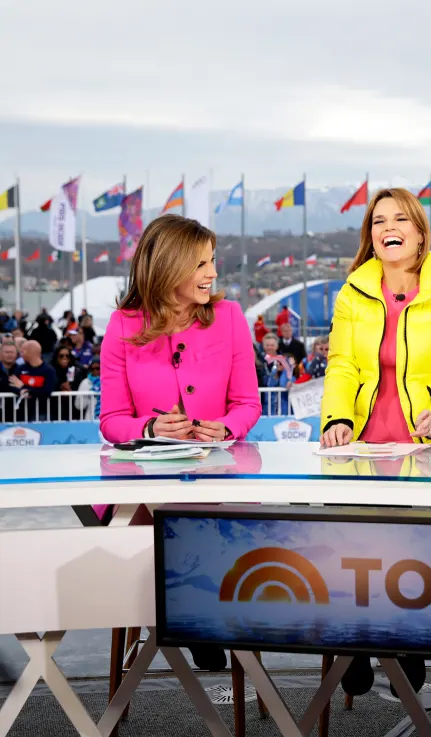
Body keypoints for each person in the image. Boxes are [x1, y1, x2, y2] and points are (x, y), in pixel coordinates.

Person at [319, 187, 431, 697]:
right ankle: (356, 645)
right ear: (371, 235)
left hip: (426, 450)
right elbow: (341, 366)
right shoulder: (351, 294)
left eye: (401, 219)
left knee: (416, 556)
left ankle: (409, 644)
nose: (390, 227)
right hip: (361, 451)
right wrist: (337, 419)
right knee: (350, 553)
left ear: (420, 231)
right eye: (379, 220)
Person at [99, 214, 262, 670]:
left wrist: (225, 428)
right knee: (170, 535)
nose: (213, 273)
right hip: (147, 489)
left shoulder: (229, 318)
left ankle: (198, 618)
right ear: (169, 266)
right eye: (201, 263)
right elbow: (111, 421)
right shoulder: (123, 325)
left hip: (216, 480)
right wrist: (149, 430)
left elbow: (248, 403)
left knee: (215, 531)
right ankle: (194, 618)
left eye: (213, 261)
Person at [10, 340, 57, 421]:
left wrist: (23, 388)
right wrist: (20, 391)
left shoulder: (49, 371)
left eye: (23, 351)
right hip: (22, 413)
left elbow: (46, 391)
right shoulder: (20, 369)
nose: (21, 355)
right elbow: (11, 384)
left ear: (31, 352)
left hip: (42, 413)